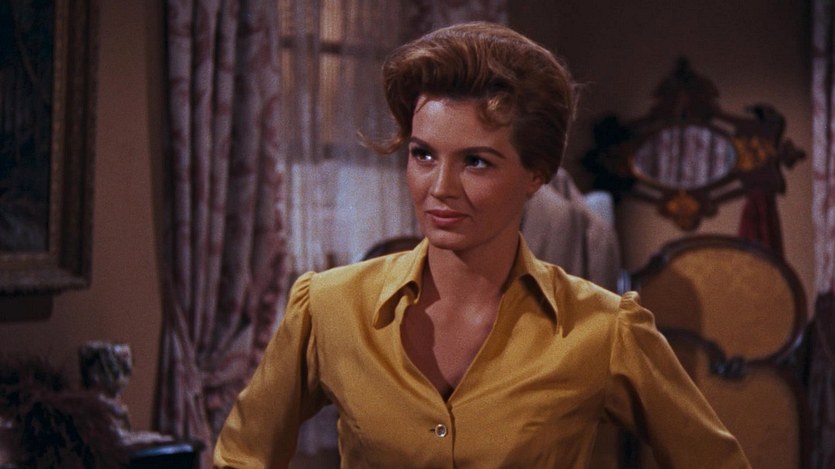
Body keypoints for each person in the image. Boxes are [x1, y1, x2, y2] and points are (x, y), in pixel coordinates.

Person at [214, 22, 751, 468]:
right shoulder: (328, 306)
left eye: (475, 161)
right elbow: (242, 457)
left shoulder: (603, 329)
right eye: (423, 155)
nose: (440, 188)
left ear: (536, 173)